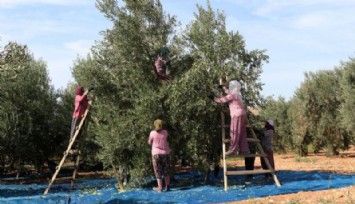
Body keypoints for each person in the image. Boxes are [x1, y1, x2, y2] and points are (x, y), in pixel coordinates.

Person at [213, 80, 249, 156]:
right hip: (243, 114)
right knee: (242, 133)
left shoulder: (232, 95)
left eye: (230, 86)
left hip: (236, 115)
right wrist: (224, 88)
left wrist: (214, 98)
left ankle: (233, 150)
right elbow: (229, 93)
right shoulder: (238, 94)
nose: (229, 87)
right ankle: (244, 149)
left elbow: (223, 100)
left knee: (234, 132)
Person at [148, 119, 171, 192]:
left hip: (156, 154)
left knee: (158, 171)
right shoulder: (165, 132)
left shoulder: (152, 133)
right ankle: (167, 187)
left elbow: (149, 142)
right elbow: (167, 140)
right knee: (166, 171)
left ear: (154, 125)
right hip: (165, 153)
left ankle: (160, 188)